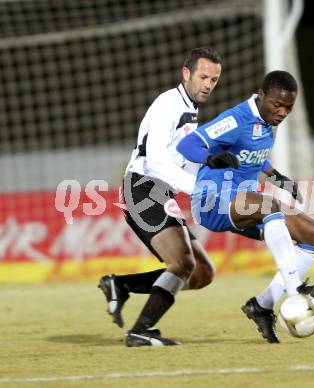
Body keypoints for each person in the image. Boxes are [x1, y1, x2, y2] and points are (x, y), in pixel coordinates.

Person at [177, 70, 314, 343]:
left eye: (288, 107)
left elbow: (252, 156)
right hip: (212, 202)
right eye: (277, 105)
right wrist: (210, 157)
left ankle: (262, 305)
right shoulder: (237, 119)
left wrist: (276, 177)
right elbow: (187, 143)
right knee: (269, 206)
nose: (283, 112)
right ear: (261, 96)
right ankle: (296, 289)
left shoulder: (268, 121)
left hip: (247, 202)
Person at [98, 47, 222, 346]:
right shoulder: (168, 104)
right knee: (181, 263)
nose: (208, 84)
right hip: (141, 188)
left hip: (158, 192)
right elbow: (155, 161)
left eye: (214, 80)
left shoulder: (190, 109)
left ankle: (120, 285)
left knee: (202, 272)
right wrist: (197, 188)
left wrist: (212, 165)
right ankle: (140, 331)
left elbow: (181, 158)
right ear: (186, 73)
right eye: (203, 77)